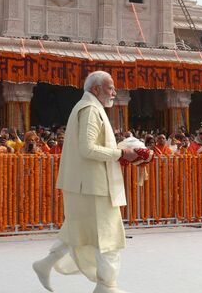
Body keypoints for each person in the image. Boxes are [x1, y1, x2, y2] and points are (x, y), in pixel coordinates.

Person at [33, 71, 139, 293]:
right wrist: (121, 154)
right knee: (107, 236)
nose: (114, 92)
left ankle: (45, 264)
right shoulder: (90, 109)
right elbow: (87, 148)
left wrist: (121, 150)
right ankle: (106, 286)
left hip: (85, 184)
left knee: (78, 230)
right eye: (110, 88)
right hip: (93, 186)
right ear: (96, 89)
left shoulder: (88, 107)